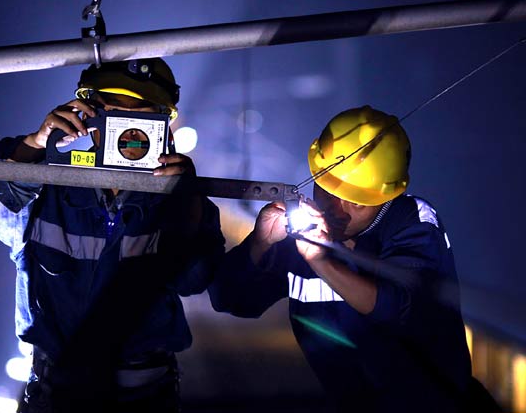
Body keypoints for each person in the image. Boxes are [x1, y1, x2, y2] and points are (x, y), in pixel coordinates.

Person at [0, 58, 225, 412]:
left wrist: (188, 199)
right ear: (87, 115)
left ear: (164, 124)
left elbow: (197, 279)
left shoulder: (176, 198)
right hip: (53, 395)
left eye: (140, 113)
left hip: (145, 398)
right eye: (113, 111)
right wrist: (35, 145)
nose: (126, 126)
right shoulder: (51, 184)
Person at [208, 106, 499, 412]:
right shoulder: (307, 232)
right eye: (328, 190)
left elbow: (398, 305)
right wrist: (260, 242)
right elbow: (231, 299)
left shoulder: (412, 223)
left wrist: (322, 261)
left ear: (385, 196)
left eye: (356, 201)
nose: (337, 208)